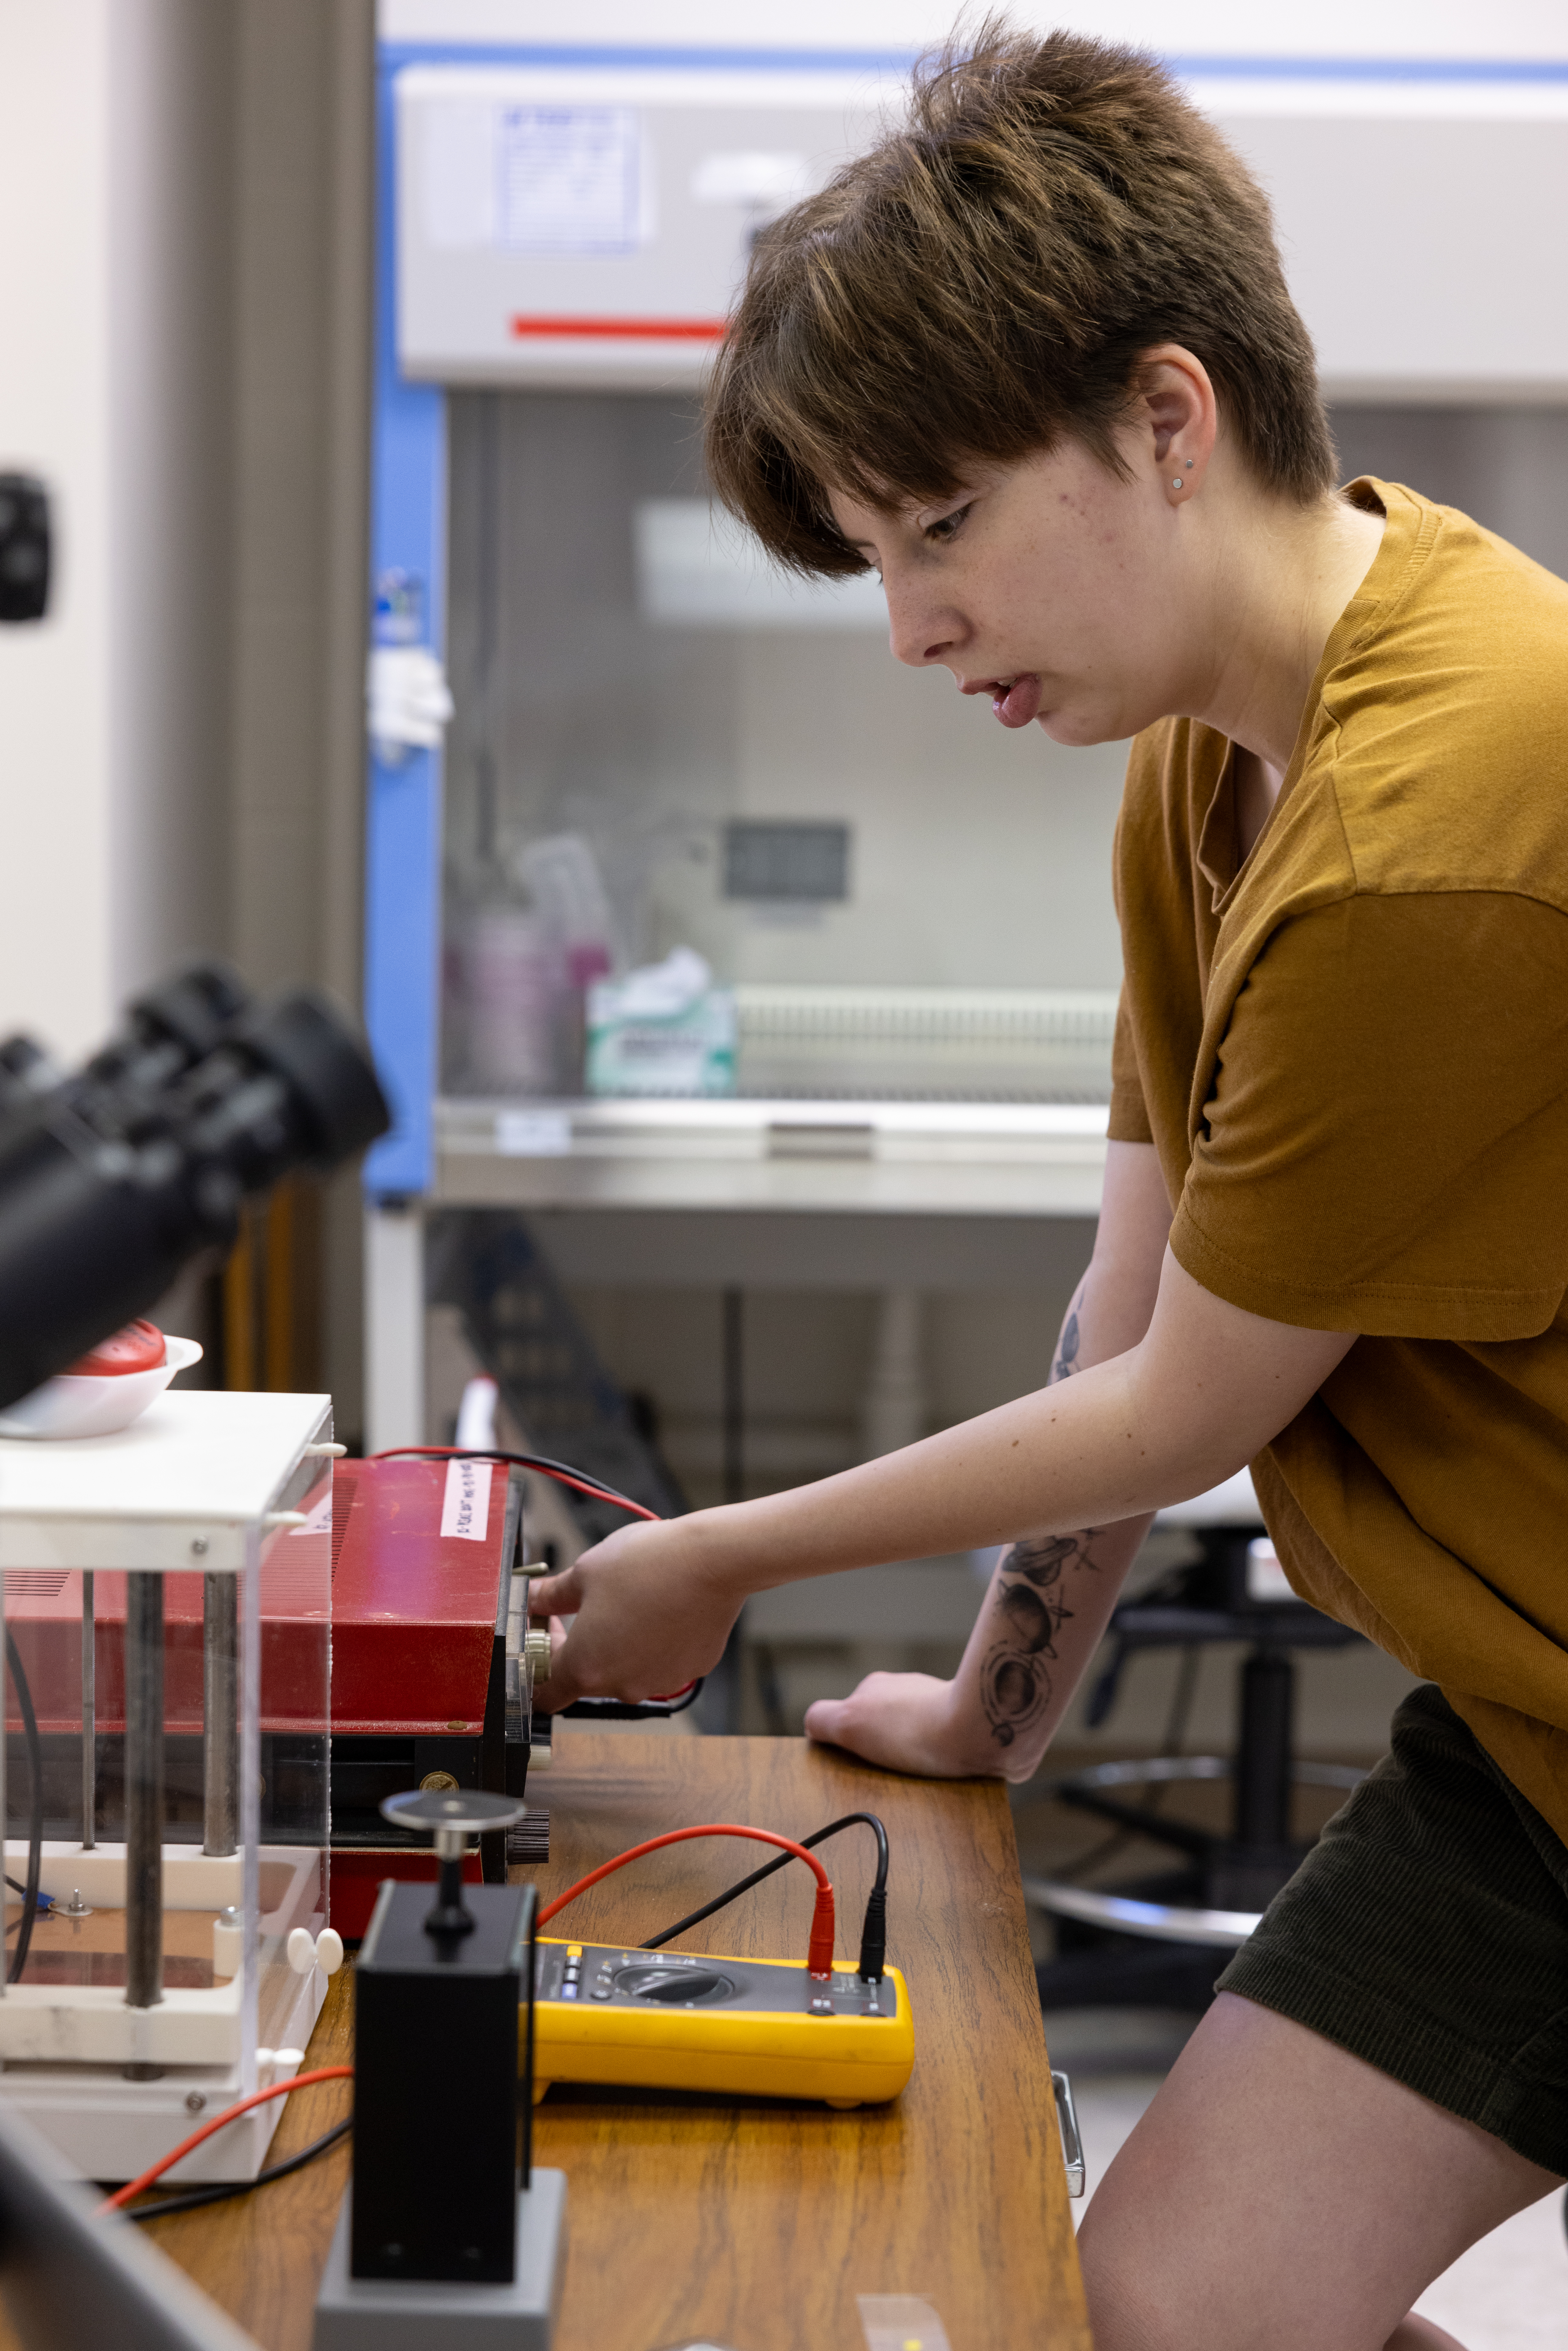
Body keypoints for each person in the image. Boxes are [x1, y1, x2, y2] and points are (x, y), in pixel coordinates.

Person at [532, 22, 1568, 2347]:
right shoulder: (1216, 751)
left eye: (940, 529)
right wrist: (1004, 1714)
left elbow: (1187, 1411)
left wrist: (712, 1559)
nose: (909, 629)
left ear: (1166, 420)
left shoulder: (1437, 813)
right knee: (1163, 2322)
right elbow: (1129, 1311)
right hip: (1526, 1740)